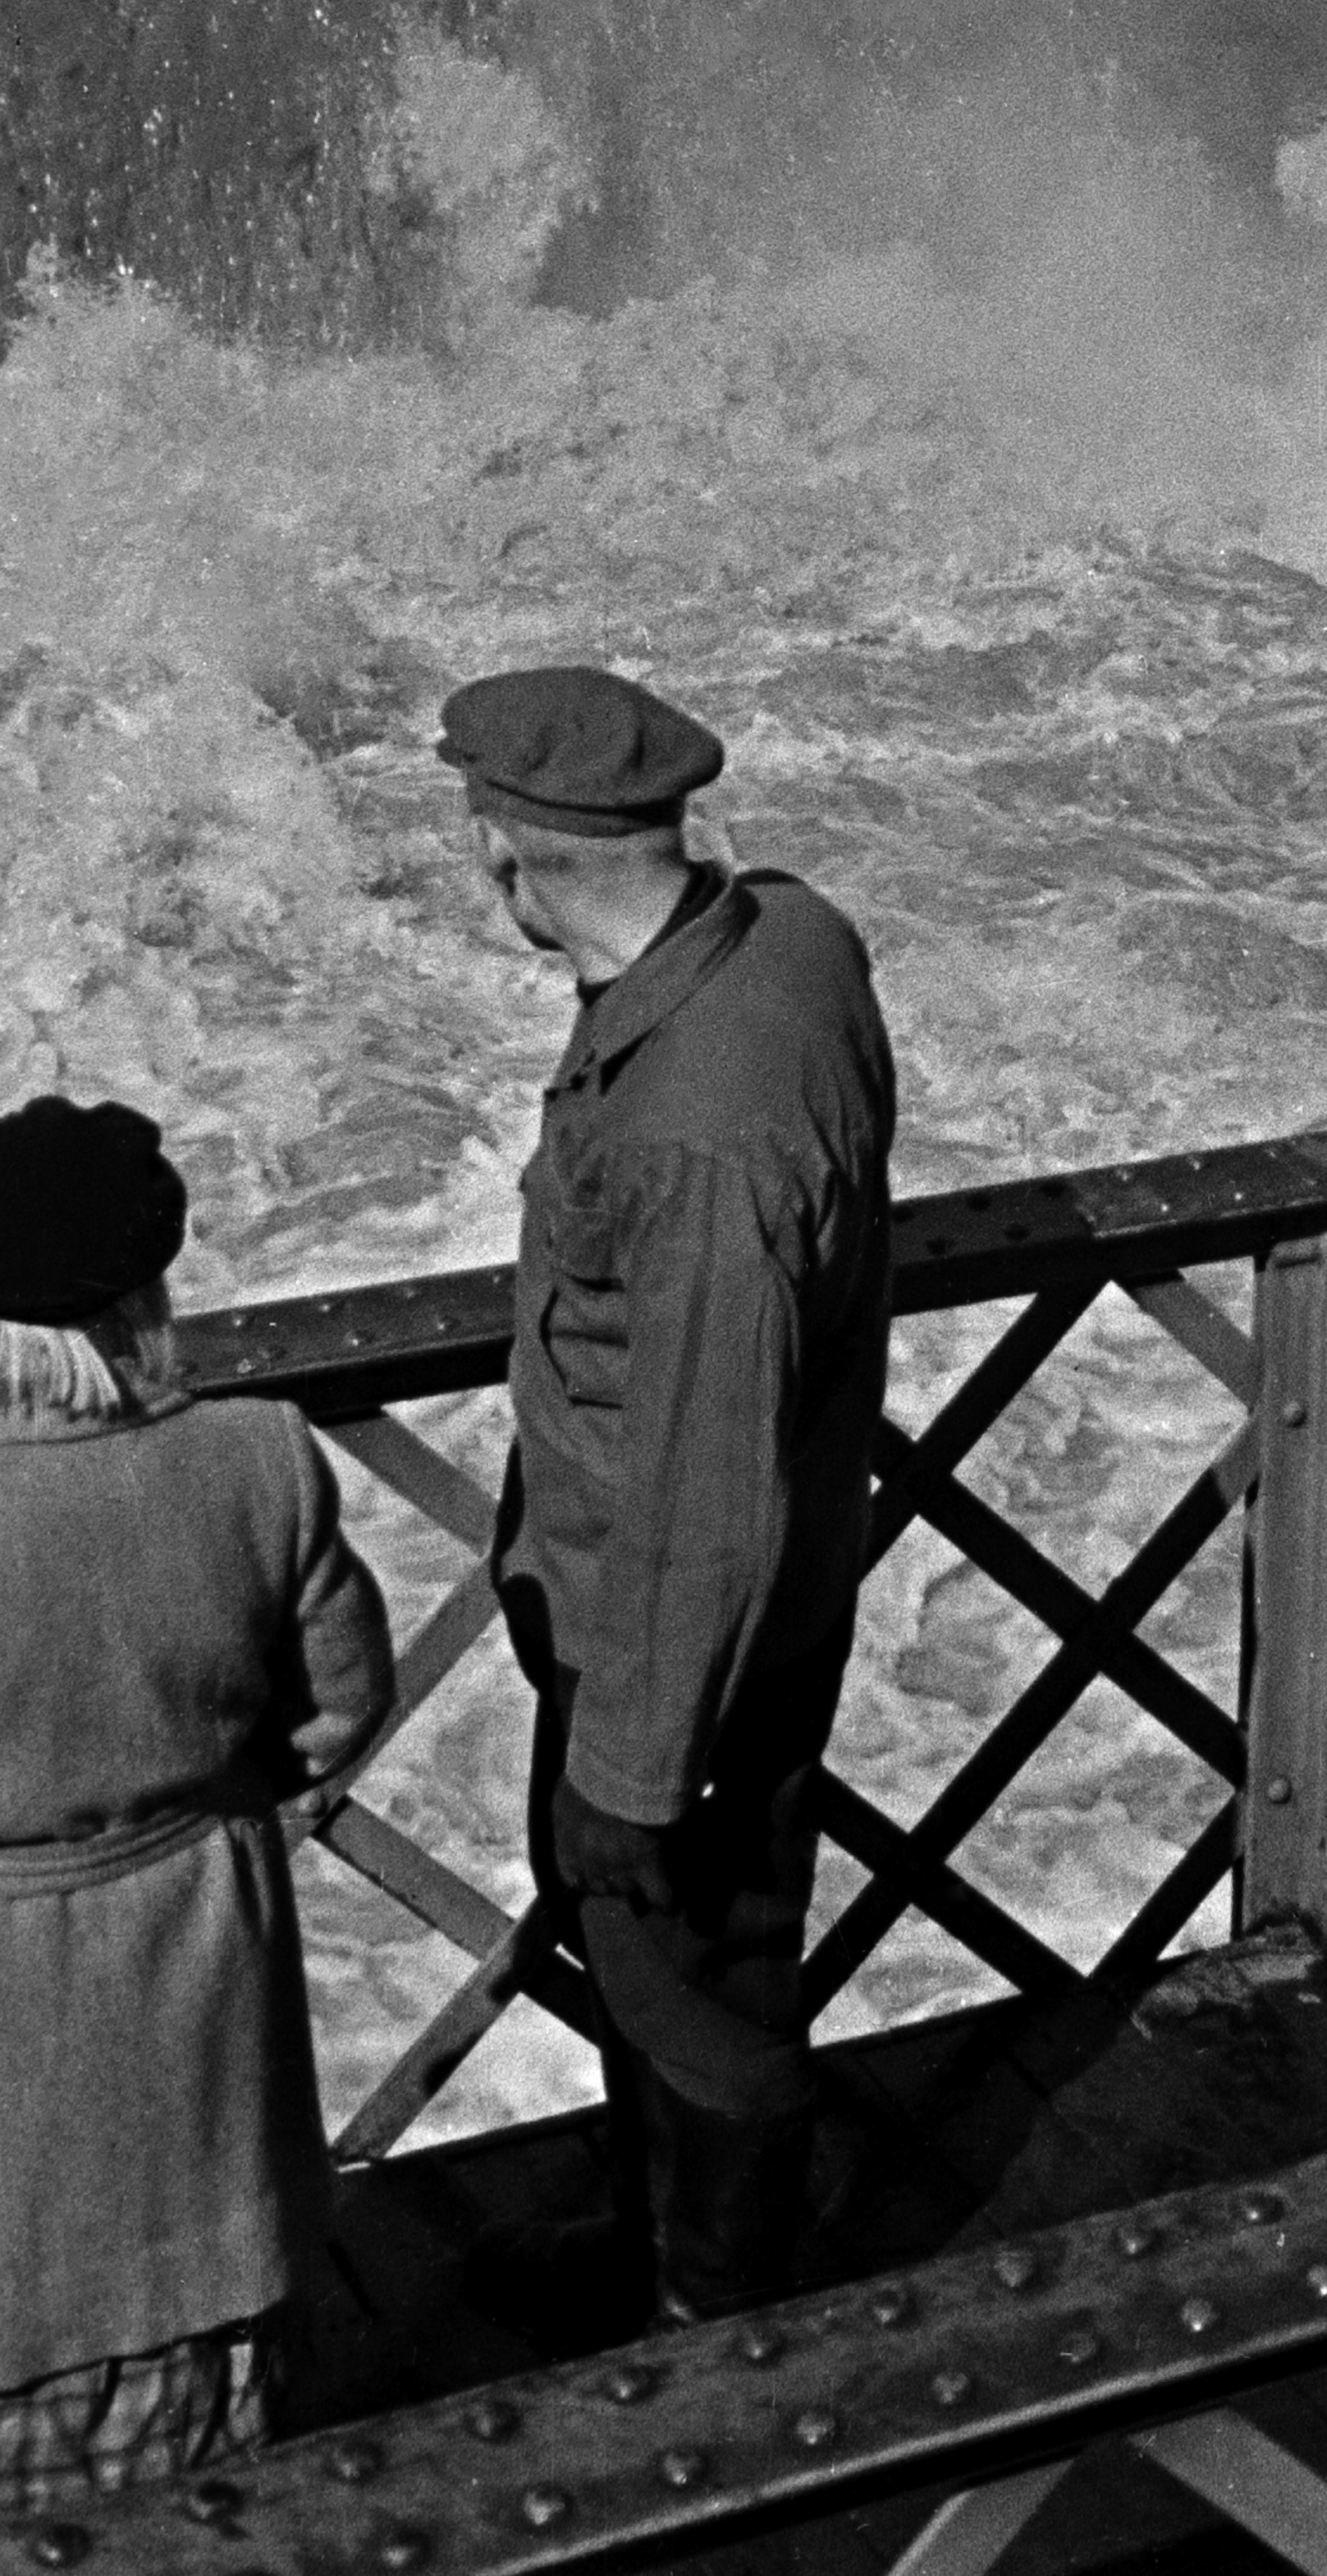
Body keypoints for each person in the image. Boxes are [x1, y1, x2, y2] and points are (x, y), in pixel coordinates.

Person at [0, 1095, 395, 2538]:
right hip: (196, 1960)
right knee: (194, 2323)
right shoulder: (261, 1456)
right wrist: (198, 1807)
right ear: (148, 1281)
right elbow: (340, 1707)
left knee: (4, 2323)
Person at [440, 661, 895, 2323]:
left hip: (675, 1638)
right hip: (709, 1608)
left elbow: (706, 1483)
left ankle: (722, 2308)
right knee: (687, 1959)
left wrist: (635, 1764)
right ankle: (668, 2229)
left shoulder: (701, 1127)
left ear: (510, 860)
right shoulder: (789, 933)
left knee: (685, 1971)